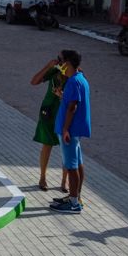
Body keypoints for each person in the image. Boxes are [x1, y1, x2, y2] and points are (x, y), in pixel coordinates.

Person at [50, 49, 91, 214]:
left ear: (67, 63)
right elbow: (72, 102)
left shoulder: (73, 81)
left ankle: (73, 203)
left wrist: (65, 129)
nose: (58, 63)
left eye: (60, 60)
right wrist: (63, 96)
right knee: (78, 163)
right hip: (75, 130)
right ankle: (76, 196)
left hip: (70, 131)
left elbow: (73, 107)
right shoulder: (80, 78)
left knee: (71, 166)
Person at [30, 56, 67, 192]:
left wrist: (62, 95)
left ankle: (64, 182)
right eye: (58, 60)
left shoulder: (75, 76)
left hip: (64, 116)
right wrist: (48, 66)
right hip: (49, 113)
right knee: (47, 145)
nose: (59, 63)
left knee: (66, 149)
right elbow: (34, 81)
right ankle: (42, 177)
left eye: (61, 60)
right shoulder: (54, 72)